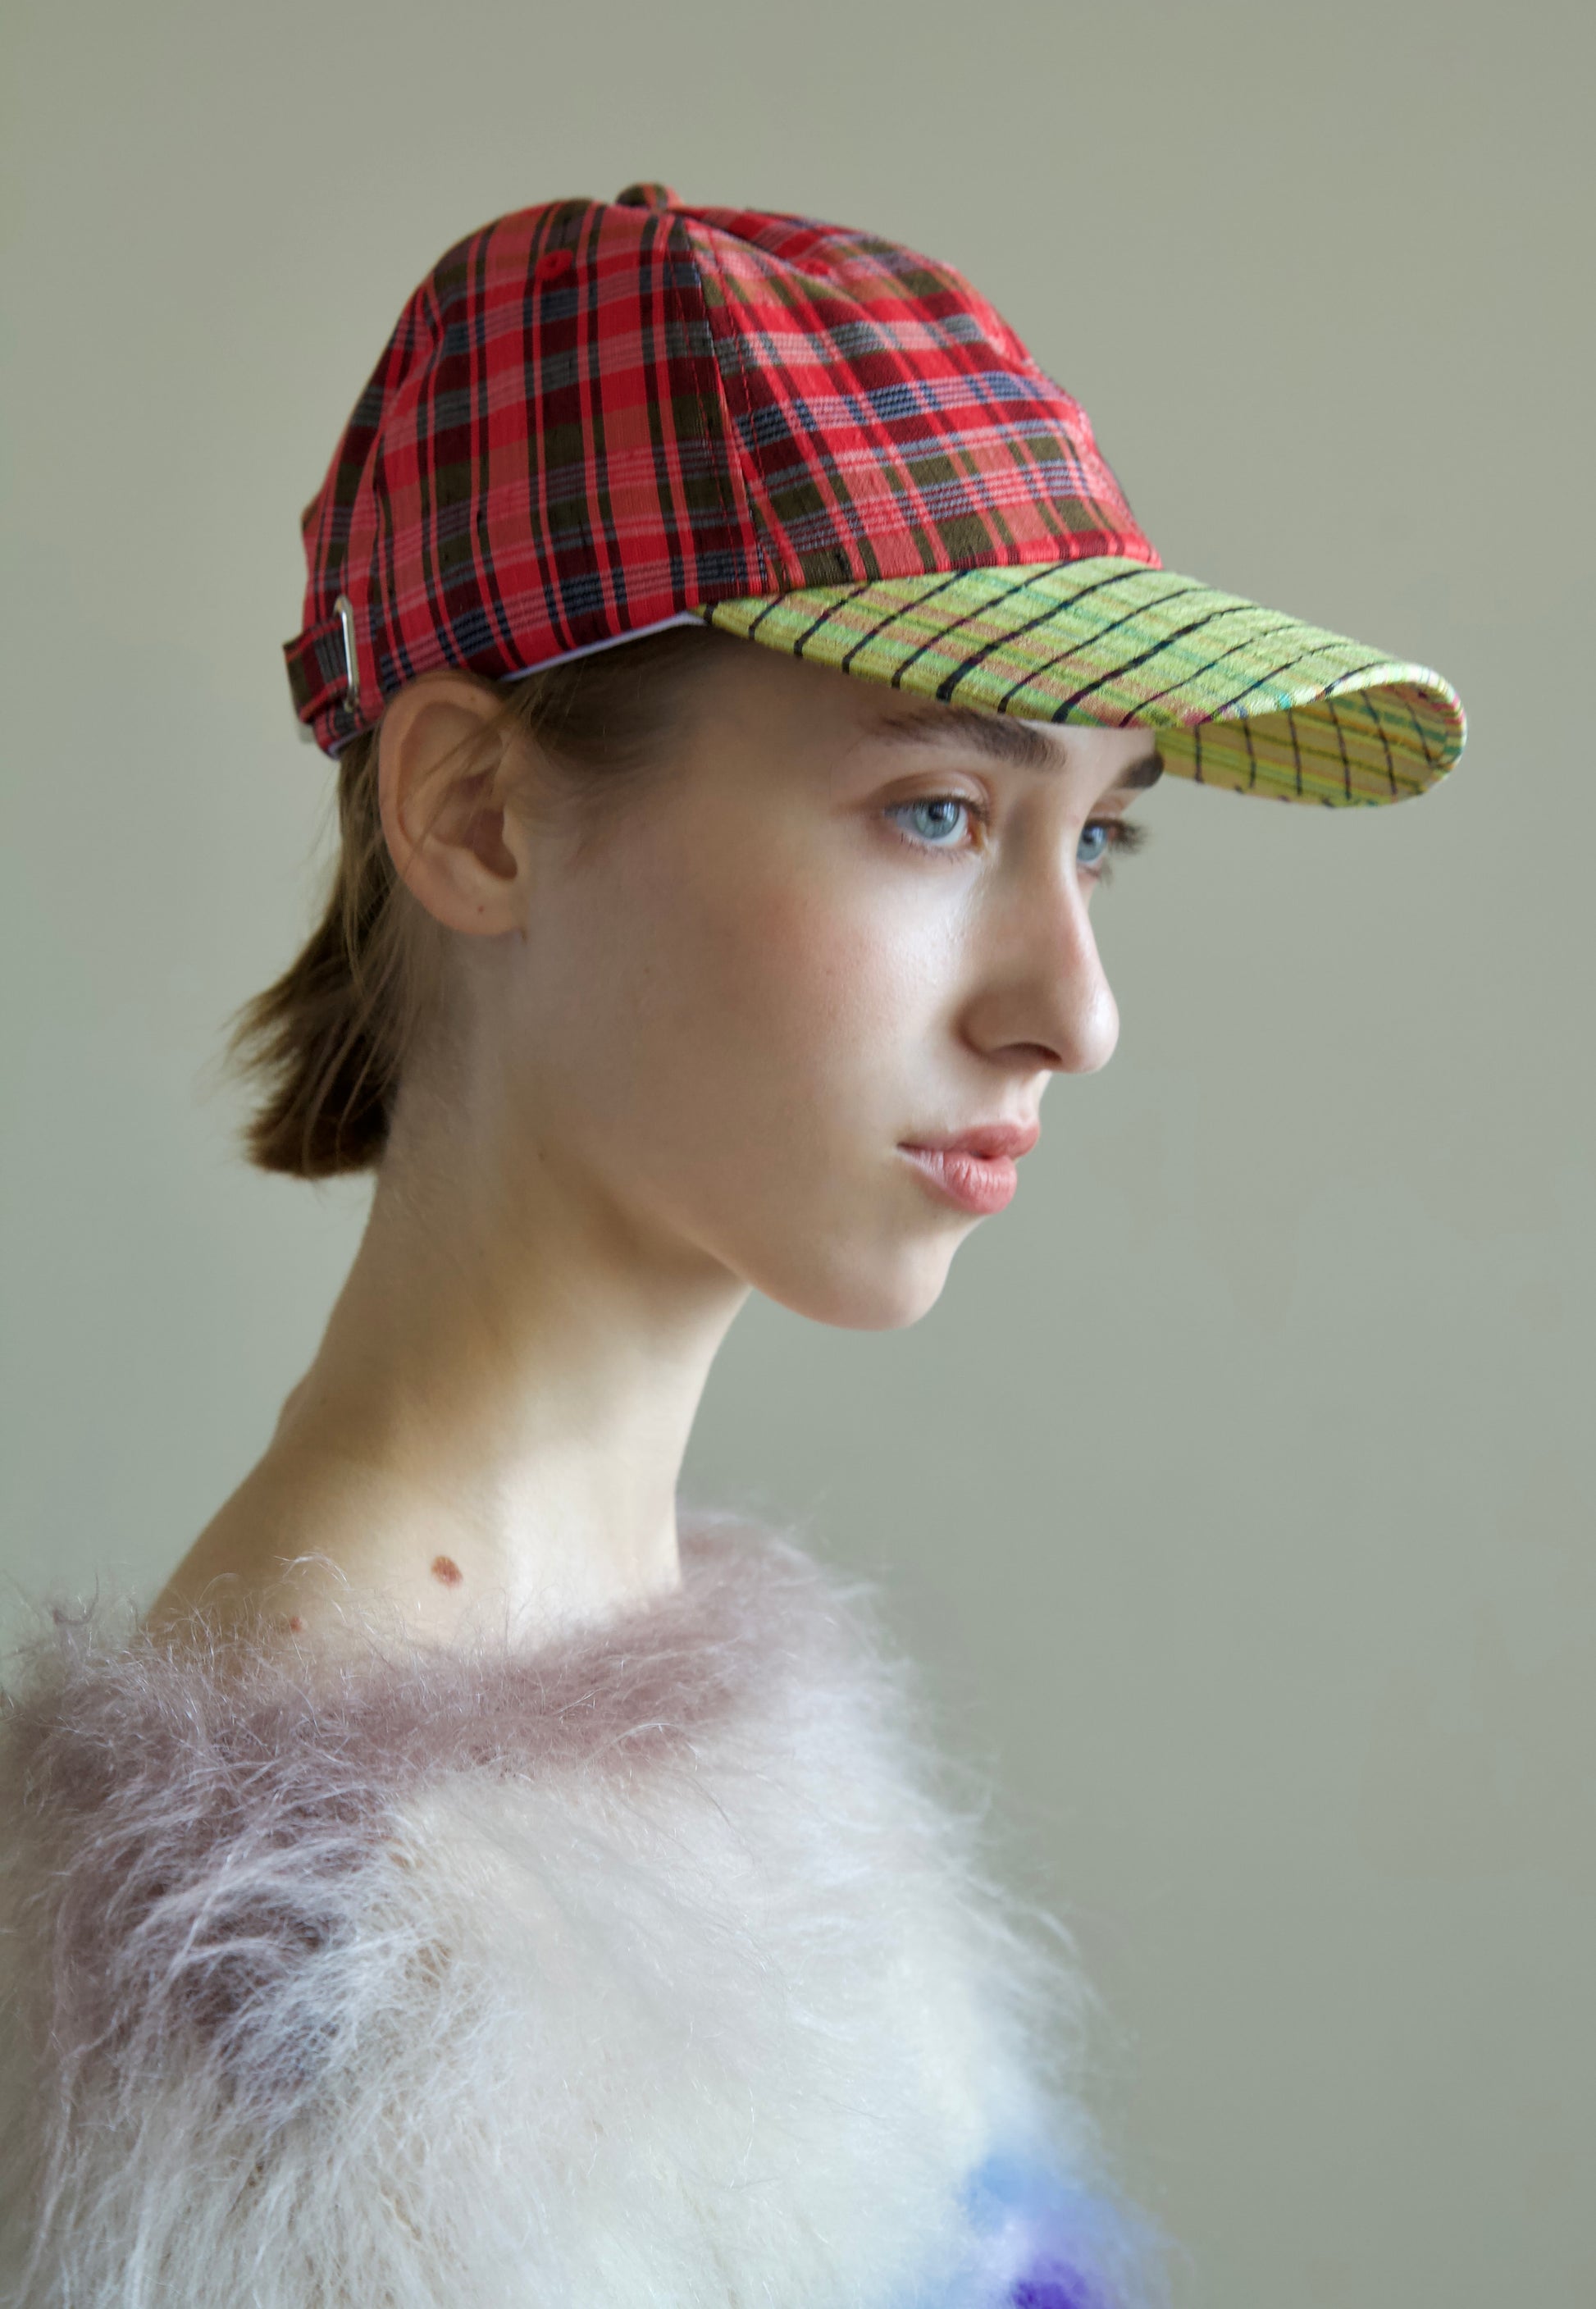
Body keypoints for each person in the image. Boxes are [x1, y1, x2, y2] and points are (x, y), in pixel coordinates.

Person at [0, 184, 1463, 2309]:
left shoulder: (693, 1737)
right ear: (479, 815)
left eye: (1101, 837)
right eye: (937, 811)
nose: (1073, 1011)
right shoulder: (300, 1971)